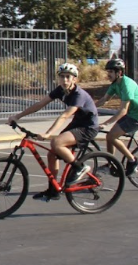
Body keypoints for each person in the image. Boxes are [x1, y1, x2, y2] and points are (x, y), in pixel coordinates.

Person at [7, 62, 99, 202]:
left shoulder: (78, 94)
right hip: (77, 124)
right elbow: (39, 104)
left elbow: (65, 116)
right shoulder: (60, 90)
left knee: (56, 142)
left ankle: (80, 167)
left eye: (68, 77)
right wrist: (17, 117)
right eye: (62, 76)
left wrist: (49, 133)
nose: (64, 80)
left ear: (75, 79)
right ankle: (53, 189)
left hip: (88, 127)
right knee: (52, 154)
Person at [96, 58, 138, 176]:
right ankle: (111, 164)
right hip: (131, 114)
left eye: (110, 72)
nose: (108, 74)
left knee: (112, 137)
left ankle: (133, 160)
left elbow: (123, 111)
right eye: (107, 72)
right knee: (109, 137)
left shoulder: (127, 84)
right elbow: (104, 100)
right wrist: (88, 108)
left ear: (119, 73)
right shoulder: (115, 84)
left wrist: (105, 123)